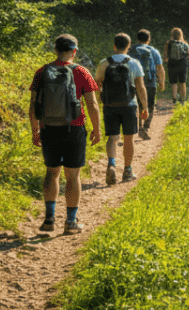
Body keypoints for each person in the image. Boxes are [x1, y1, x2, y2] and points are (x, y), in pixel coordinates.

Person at [29, 34, 102, 234]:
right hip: (74, 129)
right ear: (74, 51)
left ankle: (49, 219)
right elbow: (92, 105)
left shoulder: (42, 72)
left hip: (49, 129)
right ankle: (70, 222)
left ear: (55, 50)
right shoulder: (81, 72)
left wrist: (35, 129)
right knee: (73, 175)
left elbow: (33, 105)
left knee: (52, 173)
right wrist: (97, 129)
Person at [95, 33, 149, 185]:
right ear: (128, 46)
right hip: (129, 105)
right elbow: (140, 87)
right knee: (129, 138)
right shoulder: (134, 63)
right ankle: (127, 170)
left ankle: (112, 164)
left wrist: (101, 97)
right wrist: (145, 107)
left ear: (114, 46)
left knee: (112, 138)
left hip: (110, 105)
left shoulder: (104, 63)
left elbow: (97, 83)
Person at [130, 29, 165, 139]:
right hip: (150, 82)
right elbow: (159, 68)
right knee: (149, 105)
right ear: (149, 39)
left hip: (134, 81)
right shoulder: (153, 51)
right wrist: (162, 82)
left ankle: (139, 126)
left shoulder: (131, 50)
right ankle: (145, 127)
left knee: (137, 104)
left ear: (138, 38)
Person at [164, 27, 189, 103]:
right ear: (181, 34)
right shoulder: (185, 44)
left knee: (174, 83)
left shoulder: (168, 43)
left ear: (172, 34)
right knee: (182, 82)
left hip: (172, 63)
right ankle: (182, 99)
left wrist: (166, 60)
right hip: (182, 63)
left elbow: (165, 55)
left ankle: (174, 99)